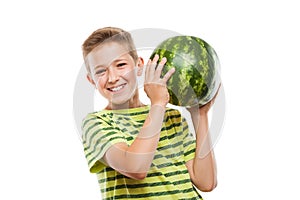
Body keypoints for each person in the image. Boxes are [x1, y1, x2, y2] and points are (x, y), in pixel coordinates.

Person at [81, 27, 218, 199]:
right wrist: (158, 102)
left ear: (139, 65)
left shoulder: (172, 118)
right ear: (91, 79)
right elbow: (136, 168)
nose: (113, 77)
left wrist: (200, 116)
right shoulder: (96, 123)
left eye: (121, 65)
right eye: (101, 71)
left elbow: (206, 182)